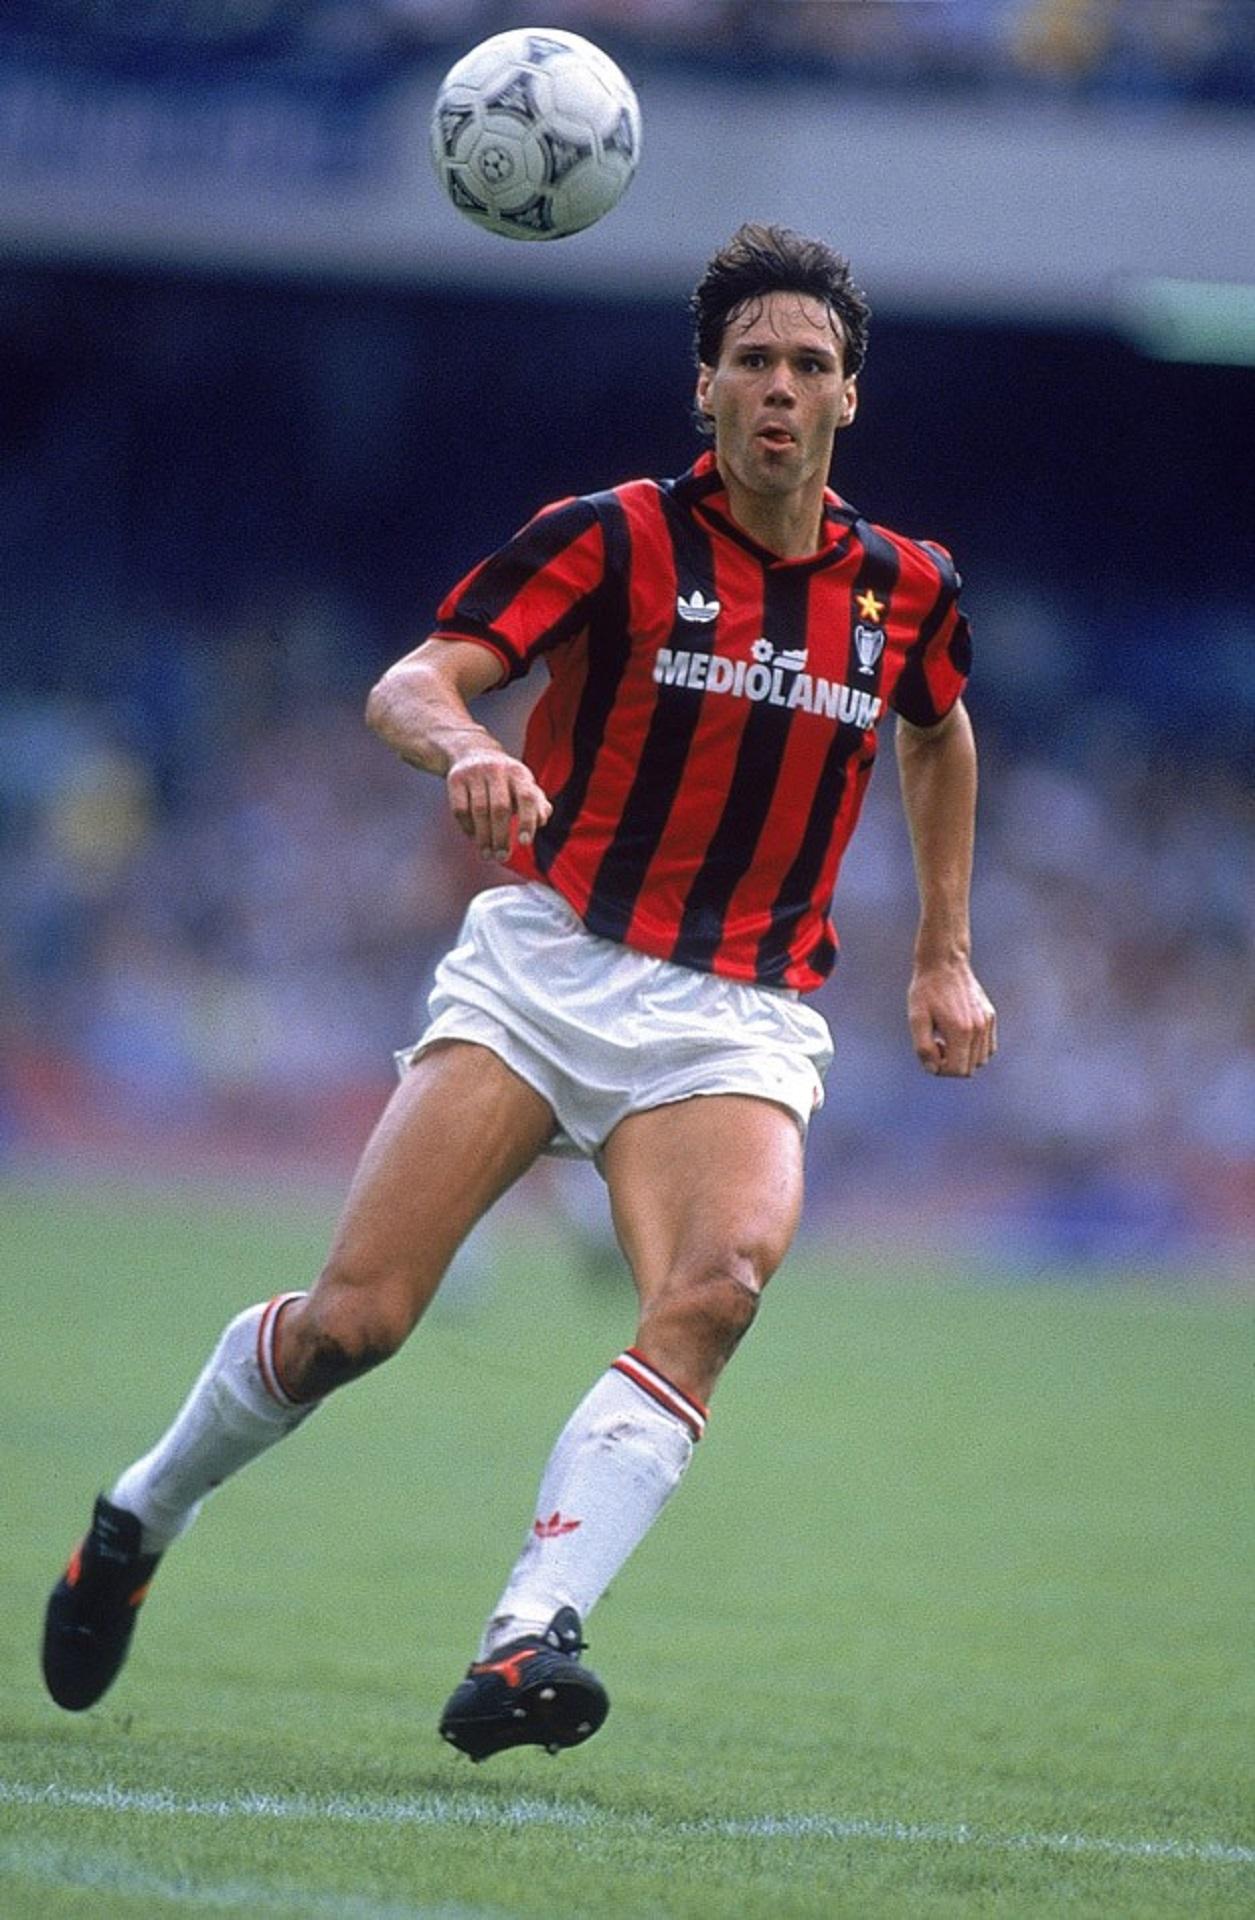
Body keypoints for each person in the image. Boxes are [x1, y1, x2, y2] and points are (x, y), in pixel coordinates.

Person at [42, 224, 997, 1761]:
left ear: (847, 399)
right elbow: (410, 682)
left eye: (808, 365)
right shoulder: (610, 537)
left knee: (718, 1288)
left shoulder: (907, 588)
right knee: (355, 1324)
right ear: (704, 386)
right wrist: (471, 747)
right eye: (752, 360)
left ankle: (526, 1635)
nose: (779, 387)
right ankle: (140, 1515)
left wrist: (945, 948)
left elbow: (939, 730)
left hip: (735, 1011)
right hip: (550, 967)